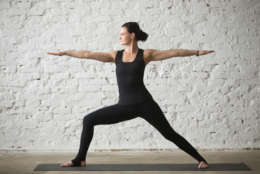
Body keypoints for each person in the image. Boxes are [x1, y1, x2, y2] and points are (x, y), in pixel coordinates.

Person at [47, 22, 214, 169]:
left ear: (132, 35)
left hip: (145, 104)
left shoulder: (145, 55)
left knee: (169, 134)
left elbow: (174, 52)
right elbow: (87, 54)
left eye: (122, 34)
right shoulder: (115, 56)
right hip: (124, 107)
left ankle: (200, 159)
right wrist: (66, 53)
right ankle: (80, 159)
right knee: (88, 120)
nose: (120, 37)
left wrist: (198, 52)